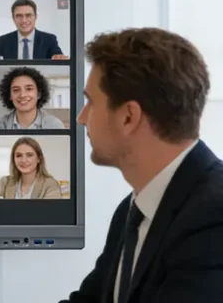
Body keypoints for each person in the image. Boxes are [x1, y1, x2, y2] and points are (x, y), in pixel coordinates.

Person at [63, 27, 223, 302]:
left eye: (90, 102)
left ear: (128, 117)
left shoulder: (214, 216)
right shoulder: (133, 210)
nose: (81, 117)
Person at [0, 66, 65, 130]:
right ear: (10, 96)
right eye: (16, 90)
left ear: (39, 94)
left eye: (29, 89)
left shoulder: (54, 125)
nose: (22, 95)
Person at [0, 0, 68, 60]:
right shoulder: (3, 40)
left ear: (35, 17)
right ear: (13, 18)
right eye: (19, 16)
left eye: (28, 15)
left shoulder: (49, 39)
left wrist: (60, 58)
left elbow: (58, 58)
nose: (24, 20)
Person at [0, 136, 64, 199]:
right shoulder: (5, 182)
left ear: (39, 158)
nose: (23, 160)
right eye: (19, 155)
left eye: (29, 155)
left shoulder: (50, 185)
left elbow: (50, 213)